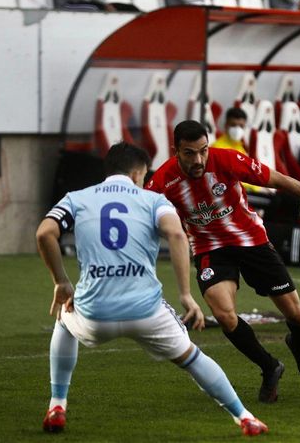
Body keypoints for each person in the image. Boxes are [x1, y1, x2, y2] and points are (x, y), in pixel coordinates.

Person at [35, 142, 268, 436]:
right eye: (145, 176)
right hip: (145, 311)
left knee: (65, 319)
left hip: (95, 313)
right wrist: (185, 294)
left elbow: (45, 233)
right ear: (136, 174)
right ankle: (244, 417)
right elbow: (176, 234)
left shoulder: (76, 198)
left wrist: (61, 281)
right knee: (192, 357)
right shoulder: (153, 200)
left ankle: (57, 405)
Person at [145, 120, 300, 403]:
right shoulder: (163, 179)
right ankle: (269, 366)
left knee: (296, 315)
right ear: (176, 151)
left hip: (252, 240)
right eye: (189, 153)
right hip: (210, 248)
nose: (198, 159)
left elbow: (281, 181)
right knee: (224, 315)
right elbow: (140, 214)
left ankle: (298, 345)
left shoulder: (227, 159)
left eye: (203, 151)